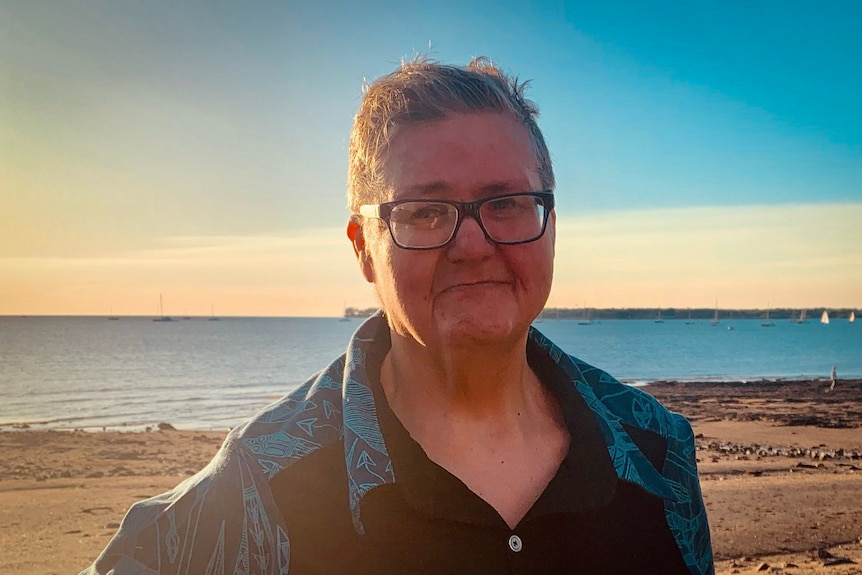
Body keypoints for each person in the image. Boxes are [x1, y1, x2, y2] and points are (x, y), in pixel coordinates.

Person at [81, 57, 714, 574]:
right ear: (363, 248)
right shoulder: (265, 484)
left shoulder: (657, 454)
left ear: (551, 226)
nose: (472, 244)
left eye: (509, 203)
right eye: (424, 212)